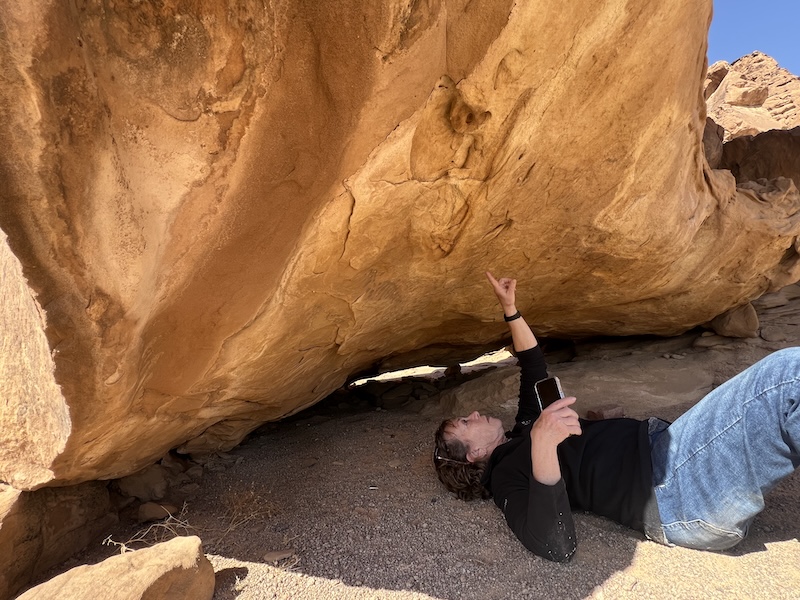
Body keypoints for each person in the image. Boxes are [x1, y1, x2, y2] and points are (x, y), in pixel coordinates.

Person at [433, 272, 800, 562]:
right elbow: (554, 545)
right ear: (474, 454)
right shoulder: (506, 478)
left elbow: (532, 364)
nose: (474, 413)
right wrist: (543, 445)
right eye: (465, 423)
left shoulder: (524, 429)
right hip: (672, 490)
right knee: (785, 377)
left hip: (678, 462)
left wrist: (510, 309)